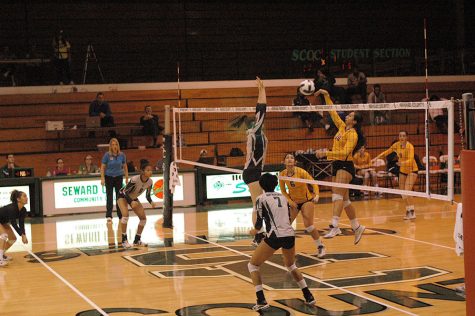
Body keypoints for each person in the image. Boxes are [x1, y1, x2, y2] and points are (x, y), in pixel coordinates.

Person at [248, 173, 316, 311]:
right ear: (275, 185)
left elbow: (259, 224)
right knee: (291, 265)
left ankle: (261, 300)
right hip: (289, 234)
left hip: (275, 235)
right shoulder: (283, 198)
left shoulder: (261, 199)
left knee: (253, 265)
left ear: (261, 185)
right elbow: (289, 216)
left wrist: (253, 232)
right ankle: (308, 295)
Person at [314, 89, 366, 244]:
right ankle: (356, 226)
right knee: (344, 200)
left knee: (336, 195)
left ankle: (335, 225)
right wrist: (326, 95)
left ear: (354, 121)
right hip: (337, 164)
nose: (347, 116)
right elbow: (332, 112)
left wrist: (326, 154)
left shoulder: (353, 135)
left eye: (350, 115)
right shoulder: (342, 127)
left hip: (345, 164)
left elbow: (344, 154)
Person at [239, 77, 268, 247]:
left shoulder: (257, 134)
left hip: (254, 171)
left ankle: (260, 232)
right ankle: (258, 234)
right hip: (252, 171)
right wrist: (262, 90)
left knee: (259, 203)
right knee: (257, 204)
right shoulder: (254, 132)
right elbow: (261, 109)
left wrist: (261, 89)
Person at [279, 153, 326, 257]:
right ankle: (288, 250)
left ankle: (321, 246)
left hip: (306, 201)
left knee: (309, 226)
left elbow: (313, 183)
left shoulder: (300, 172)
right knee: (286, 226)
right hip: (294, 202)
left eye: (292, 158)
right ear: (284, 162)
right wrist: (290, 202)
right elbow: (283, 191)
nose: (289, 159)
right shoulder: (282, 174)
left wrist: (317, 194)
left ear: (295, 162)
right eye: (287, 158)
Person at [373, 131, 418, 219]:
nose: (401, 138)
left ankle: (412, 212)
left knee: (407, 191)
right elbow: (387, 152)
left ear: (406, 137)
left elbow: (411, 159)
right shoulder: (397, 145)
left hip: (412, 170)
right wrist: (377, 157)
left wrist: (402, 163)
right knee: (402, 192)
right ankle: (408, 210)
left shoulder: (410, 147)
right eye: (400, 136)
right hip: (403, 170)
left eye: (403, 136)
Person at [117, 160, 156, 248]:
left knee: (143, 218)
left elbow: (148, 195)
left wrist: (151, 202)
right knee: (125, 215)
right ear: (142, 171)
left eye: (151, 170)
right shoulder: (135, 179)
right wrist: (131, 202)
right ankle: (124, 240)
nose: (150, 172)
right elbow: (124, 191)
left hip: (133, 197)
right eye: (148, 170)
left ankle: (137, 240)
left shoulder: (150, 182)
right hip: (122, 196)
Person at [101, 138, 128, 221]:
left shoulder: (122, 155)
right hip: (109, 177)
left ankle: (120, 215)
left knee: (119, 197)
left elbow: (125, 166)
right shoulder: (107, 155)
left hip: (119, 177)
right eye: (112, 145)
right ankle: (109, 215)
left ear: (118, 145)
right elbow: (102, 167)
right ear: (110, 146)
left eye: (116, 144)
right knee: (109, 196)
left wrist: (127, 177)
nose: (114, 146)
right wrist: (102, 178)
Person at [0, 190, 29, 266]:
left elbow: (21, 224)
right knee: (4, 235)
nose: (27, 198)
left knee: (12, 239)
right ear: (18, 199)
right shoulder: (12, 208)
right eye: (24, 196)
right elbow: (14, 224)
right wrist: (22, 235)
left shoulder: (23, 210)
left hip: (2, 221)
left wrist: (24, 235)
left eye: (26, 196)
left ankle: (1, 254)